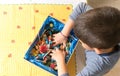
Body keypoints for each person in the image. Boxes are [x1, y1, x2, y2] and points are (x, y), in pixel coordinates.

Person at [50, 2, 120, 76]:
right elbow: (81, 7)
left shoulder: (98, 65)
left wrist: (60, 61)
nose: (79, 41)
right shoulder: (103, 21)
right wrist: (63, 34)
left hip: (97, 67)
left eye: (81, 41)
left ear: (97, 50)